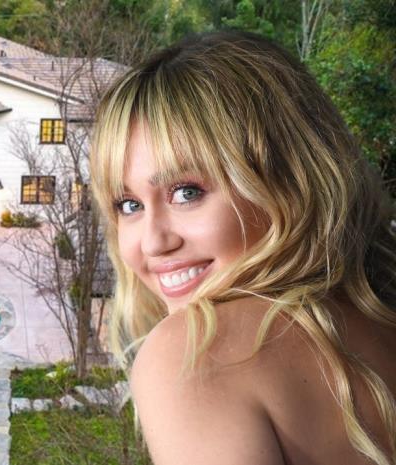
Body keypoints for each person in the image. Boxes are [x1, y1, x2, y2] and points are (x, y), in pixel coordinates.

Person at [89, 30, 396, 465]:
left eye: (186, 193)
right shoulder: (376, 316)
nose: (154, 242)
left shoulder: (193, 355)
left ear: (287, 180)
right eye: (129, 205)